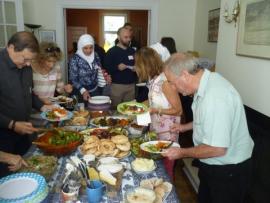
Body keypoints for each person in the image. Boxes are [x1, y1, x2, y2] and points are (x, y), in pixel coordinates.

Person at [162, 53, 254, 203]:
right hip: (213, 166)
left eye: (172, 82)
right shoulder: (206, 82)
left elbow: (216, 148)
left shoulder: (215, 97)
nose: (172, 87)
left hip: (228, 172)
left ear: (184, 75)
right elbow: (207, 121)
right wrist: (184, 127)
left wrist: (182, 152)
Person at [0, 31, 52, 177]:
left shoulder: (26, 67)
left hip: (24, 131)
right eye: (25, 59)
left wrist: (43, 106)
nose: (28, 64)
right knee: (7, 180)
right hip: (3, 136)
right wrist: (12, 124)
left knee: (27, 171)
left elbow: (30, 93)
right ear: (11, 47)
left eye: (30, 60)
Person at [135, 47, 182, 179]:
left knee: (166, 170)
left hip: (168, 133)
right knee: (159, 169)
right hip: (156, 131)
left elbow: (178, 110)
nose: (136, 67)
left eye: (137, 64)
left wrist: (156, 110)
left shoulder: (165, 82)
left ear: (146, 65)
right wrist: (135, 105)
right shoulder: (154, 79)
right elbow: (153, 101)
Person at [69, 34, 111, 103]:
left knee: (96, 110)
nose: (89, 50)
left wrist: (105, 77)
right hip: (80, 91)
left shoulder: (96, 55)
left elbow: (99, 70)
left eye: (91, 47)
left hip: (95, 90)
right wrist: (83, 90)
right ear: (80, 47)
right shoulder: (75, 59)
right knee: (82, 111)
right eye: (85, 48)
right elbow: (73, 79)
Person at [104, 27, 137, 108]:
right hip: (117, 86)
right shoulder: (112, 52)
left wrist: (137, 68)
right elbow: (106, 68)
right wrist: (117, 67)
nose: (129, 39)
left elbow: (138, 64)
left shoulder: (132, 51)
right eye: (126, 37)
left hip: (131, 86)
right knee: (115, 110)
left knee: (130, 110)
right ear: (118, 37)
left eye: (130, 37)